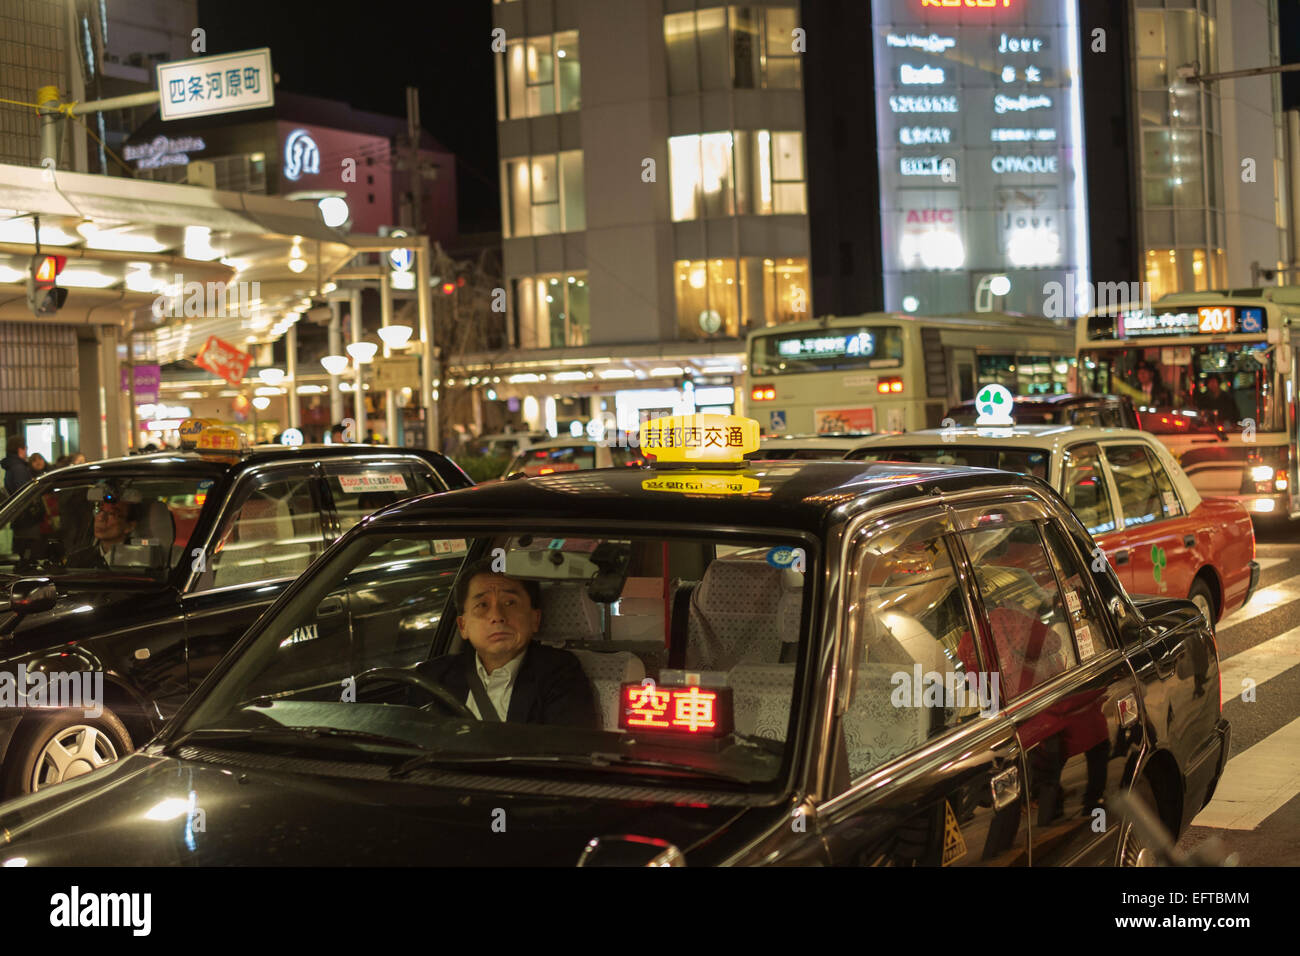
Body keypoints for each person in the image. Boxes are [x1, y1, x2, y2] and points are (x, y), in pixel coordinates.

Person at [416, 557, 599, 728]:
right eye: (482, 605)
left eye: (510, 603)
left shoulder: (560, 674)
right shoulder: (430, 679)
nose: (497, 617)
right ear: (463, 626)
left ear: (535, 619)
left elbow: (566, 752)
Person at [67, 498, 142, 569]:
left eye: (112, 513)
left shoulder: (140, 560)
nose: (100, 518)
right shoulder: (77, 560)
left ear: (130, 526)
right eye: (99, 511)